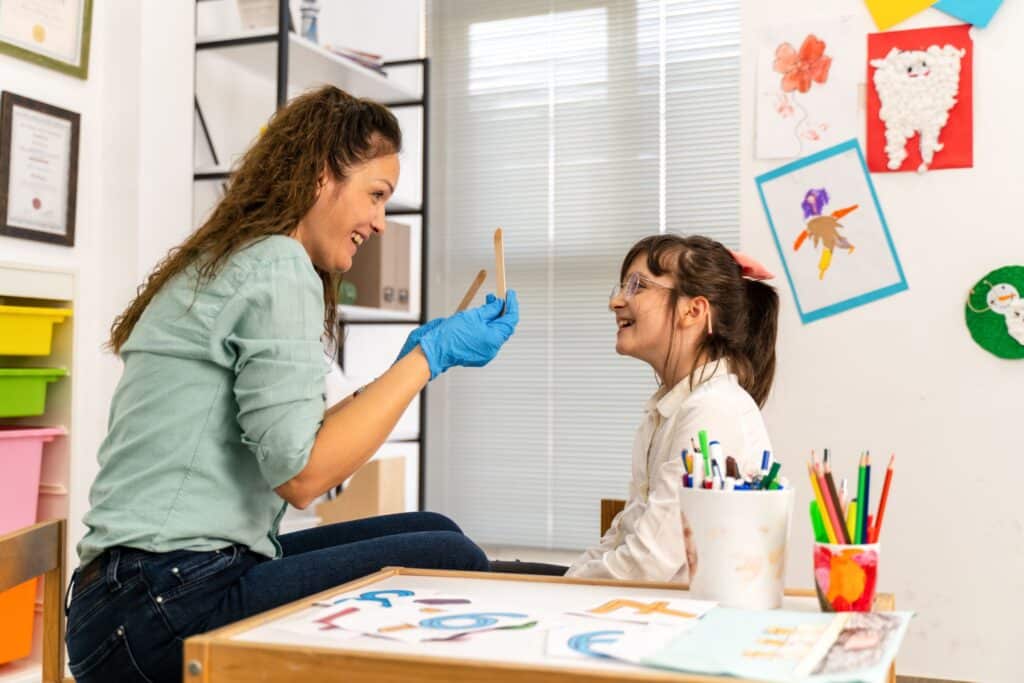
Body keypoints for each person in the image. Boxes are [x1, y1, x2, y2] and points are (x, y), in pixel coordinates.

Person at [64, 86, 519, 683]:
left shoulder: (241, 258)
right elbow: (304, 477)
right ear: (323, 176)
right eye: (376, 196)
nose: (381, 223)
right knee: (450, 558)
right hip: (161, 607)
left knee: (435, 532)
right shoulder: (278, 265)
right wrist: (427, 360)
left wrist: (409, 362)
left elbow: (298, 443)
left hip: (139, 595)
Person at [564, 233, 778, 581]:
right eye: (621, 286)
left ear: (693, 310)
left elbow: (647, 563)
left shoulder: (712, 411)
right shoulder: (670, 409)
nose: (616, 301)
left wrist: (564, 590)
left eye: (637, 286)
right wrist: (567, 581)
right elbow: (626, 534)